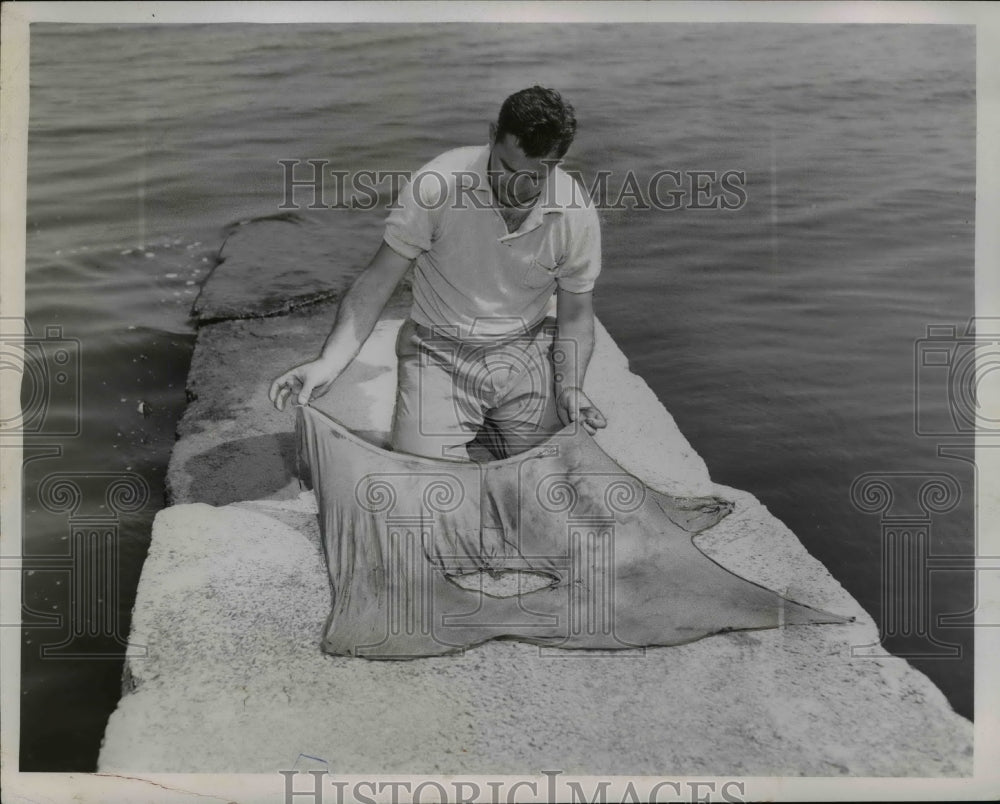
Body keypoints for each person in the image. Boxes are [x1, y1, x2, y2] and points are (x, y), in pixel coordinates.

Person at [269, 86, 607, 461]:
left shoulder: (576, 212)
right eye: (507, 168)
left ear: (557, 163)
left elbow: (576, 314)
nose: (517, 187)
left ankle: (495, 424)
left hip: (525, 350)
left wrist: (570, 386)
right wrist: (329, 363)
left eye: (534, 177)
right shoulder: (436, 185)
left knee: (557, 473)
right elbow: (377, 282)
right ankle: (471, 424)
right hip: (440, 351)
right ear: (492, 136)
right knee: (424, 480)